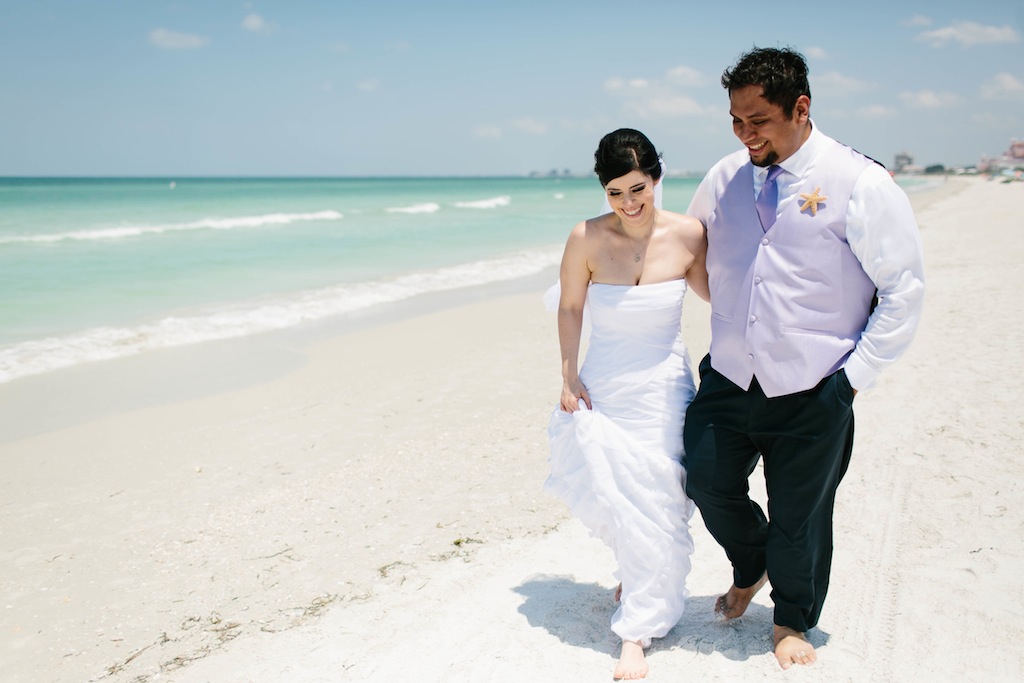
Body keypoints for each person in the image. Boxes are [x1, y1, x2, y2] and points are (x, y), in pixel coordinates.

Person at [683, 47, 925, 669]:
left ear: (801, 107)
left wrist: (850, 382)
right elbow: (692, 255)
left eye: (758, 120)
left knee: (799, 516)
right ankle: (751, 562)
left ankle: (791, 618)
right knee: (706, 479)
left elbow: (903, 290)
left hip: (815, 386)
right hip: (730, 374)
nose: (746, 134)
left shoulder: (860, 182)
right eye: (736, 121)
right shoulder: (724, 176)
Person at [545, 128, 709, 680]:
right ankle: (638, 588)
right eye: (616, 192)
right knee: (614, 492)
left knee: (661, 498)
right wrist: (569, 376)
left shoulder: (689, 235)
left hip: (665, 387)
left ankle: (635, 628)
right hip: (607, 384)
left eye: (638, 188)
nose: (629, 203)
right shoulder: (586, 237)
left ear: (657, 179)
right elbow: (570, 308)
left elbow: (722, 296)